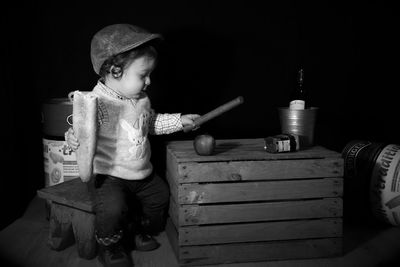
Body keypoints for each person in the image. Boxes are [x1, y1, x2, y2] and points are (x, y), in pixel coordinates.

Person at [65, 23, 200, 267]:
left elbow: (151, 124)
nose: (149, 81)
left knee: (159, 196)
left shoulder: (141, 100)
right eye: (142, 75)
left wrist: (180, 121)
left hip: (140, 172)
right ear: (116, 71)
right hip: (109, 175)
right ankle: (110, 245)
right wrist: (72, 138)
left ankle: (136, 230)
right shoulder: (98, 103)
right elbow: (80, 132)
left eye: (150, 75)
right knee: (113, 208)